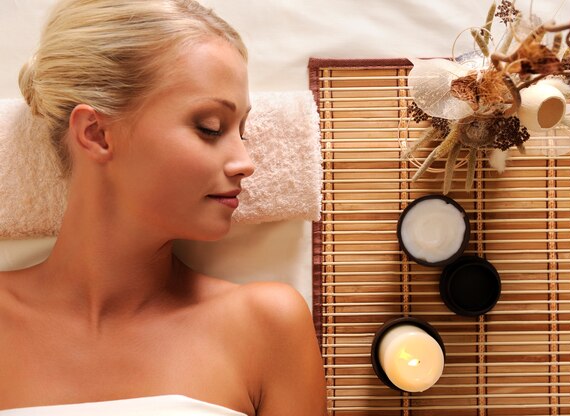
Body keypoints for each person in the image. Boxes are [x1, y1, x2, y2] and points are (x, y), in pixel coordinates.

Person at [0, 1, 327, 415]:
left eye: (242, 131)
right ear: (97, 134)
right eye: (210, 127)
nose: (245, 162)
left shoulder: (267, 326)